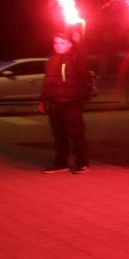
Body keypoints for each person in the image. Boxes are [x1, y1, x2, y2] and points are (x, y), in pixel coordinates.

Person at [40, 28, 91, 174]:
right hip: (55, 104)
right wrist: (43, 100)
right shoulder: (51, 60)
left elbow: (82, 58)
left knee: (76, 134)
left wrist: (78, 42)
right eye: (56, 43)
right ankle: (61, 163)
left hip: (72, 103)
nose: (58, 45)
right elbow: (47, 81)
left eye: (62, 43)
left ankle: (82, 163)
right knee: (59, 135)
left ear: (69, 44)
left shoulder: (75, 58)